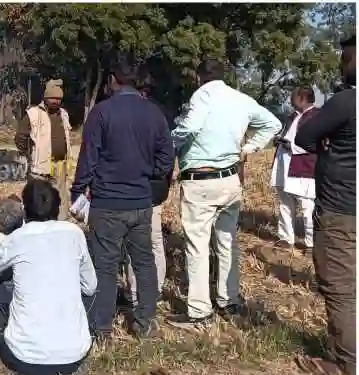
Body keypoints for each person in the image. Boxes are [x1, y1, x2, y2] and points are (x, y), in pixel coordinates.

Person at [168, 58, 281, 329]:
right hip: (230, 179)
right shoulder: (241, 99)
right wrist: (247, 149)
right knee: (227, 242)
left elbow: (191, 126)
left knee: (197, 244)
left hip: (201, 180)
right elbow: (273, 124)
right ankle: (229, 300)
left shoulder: (202, 96)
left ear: (199, 77)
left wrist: (169, 140)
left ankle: (199, 311)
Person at [71, 56, 174, 341]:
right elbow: (167, 159)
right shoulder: (154, 113)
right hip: (141, 203)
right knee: (144, 263)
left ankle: (101, 330)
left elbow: (88, 159)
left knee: (104, 267)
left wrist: (77, 192)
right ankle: (146, 323)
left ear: (113, 79)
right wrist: (148, 175)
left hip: (107, 203)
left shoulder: (102, 113)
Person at [0, 180, 96, 375]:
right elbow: (90, 287)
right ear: (58, 208)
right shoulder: (75, 234)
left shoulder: (17, 238)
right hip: (74, 358)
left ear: (25, 210)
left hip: (24, 359)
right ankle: (76, 335)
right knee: (93, 290)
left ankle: (11, 339)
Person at [294, 35, 356, 375]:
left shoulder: (346, 101)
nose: (342, 65)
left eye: (346, 58)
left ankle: (348, 364)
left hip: (340, 210)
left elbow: (305, 136)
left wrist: (327, 139)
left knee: (340, 286)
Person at [123, 81, 175, 306]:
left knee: (135, 243)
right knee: (154, 241)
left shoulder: (135, 118)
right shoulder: (162, 116)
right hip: (156, 190)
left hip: (137, 190)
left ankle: (135, 294)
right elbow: (168, 159)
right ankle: (157, 288)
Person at [270, 86, 319, 255]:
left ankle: (311, 244)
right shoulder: (291, 117)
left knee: (307, 207)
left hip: (304, 167)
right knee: (285, 203)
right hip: (284, 165)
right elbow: (286, 134)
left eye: (293, 97)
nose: (290, 100)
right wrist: (279, 141)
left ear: (302, 98)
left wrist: (292, 146)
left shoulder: (317, 116)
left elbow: (317, 144)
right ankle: (286, 238)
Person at [15, 79, 73, 220]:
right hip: (40, 167)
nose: (56, 101)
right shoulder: (33, 113)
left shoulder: (64, 114)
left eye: (59, 99)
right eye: (53, 98)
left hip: (59, 165)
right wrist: (30, 155)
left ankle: (60, 227)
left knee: (60, 198)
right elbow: (20, 138)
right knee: (37, 200)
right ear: (45, 98)